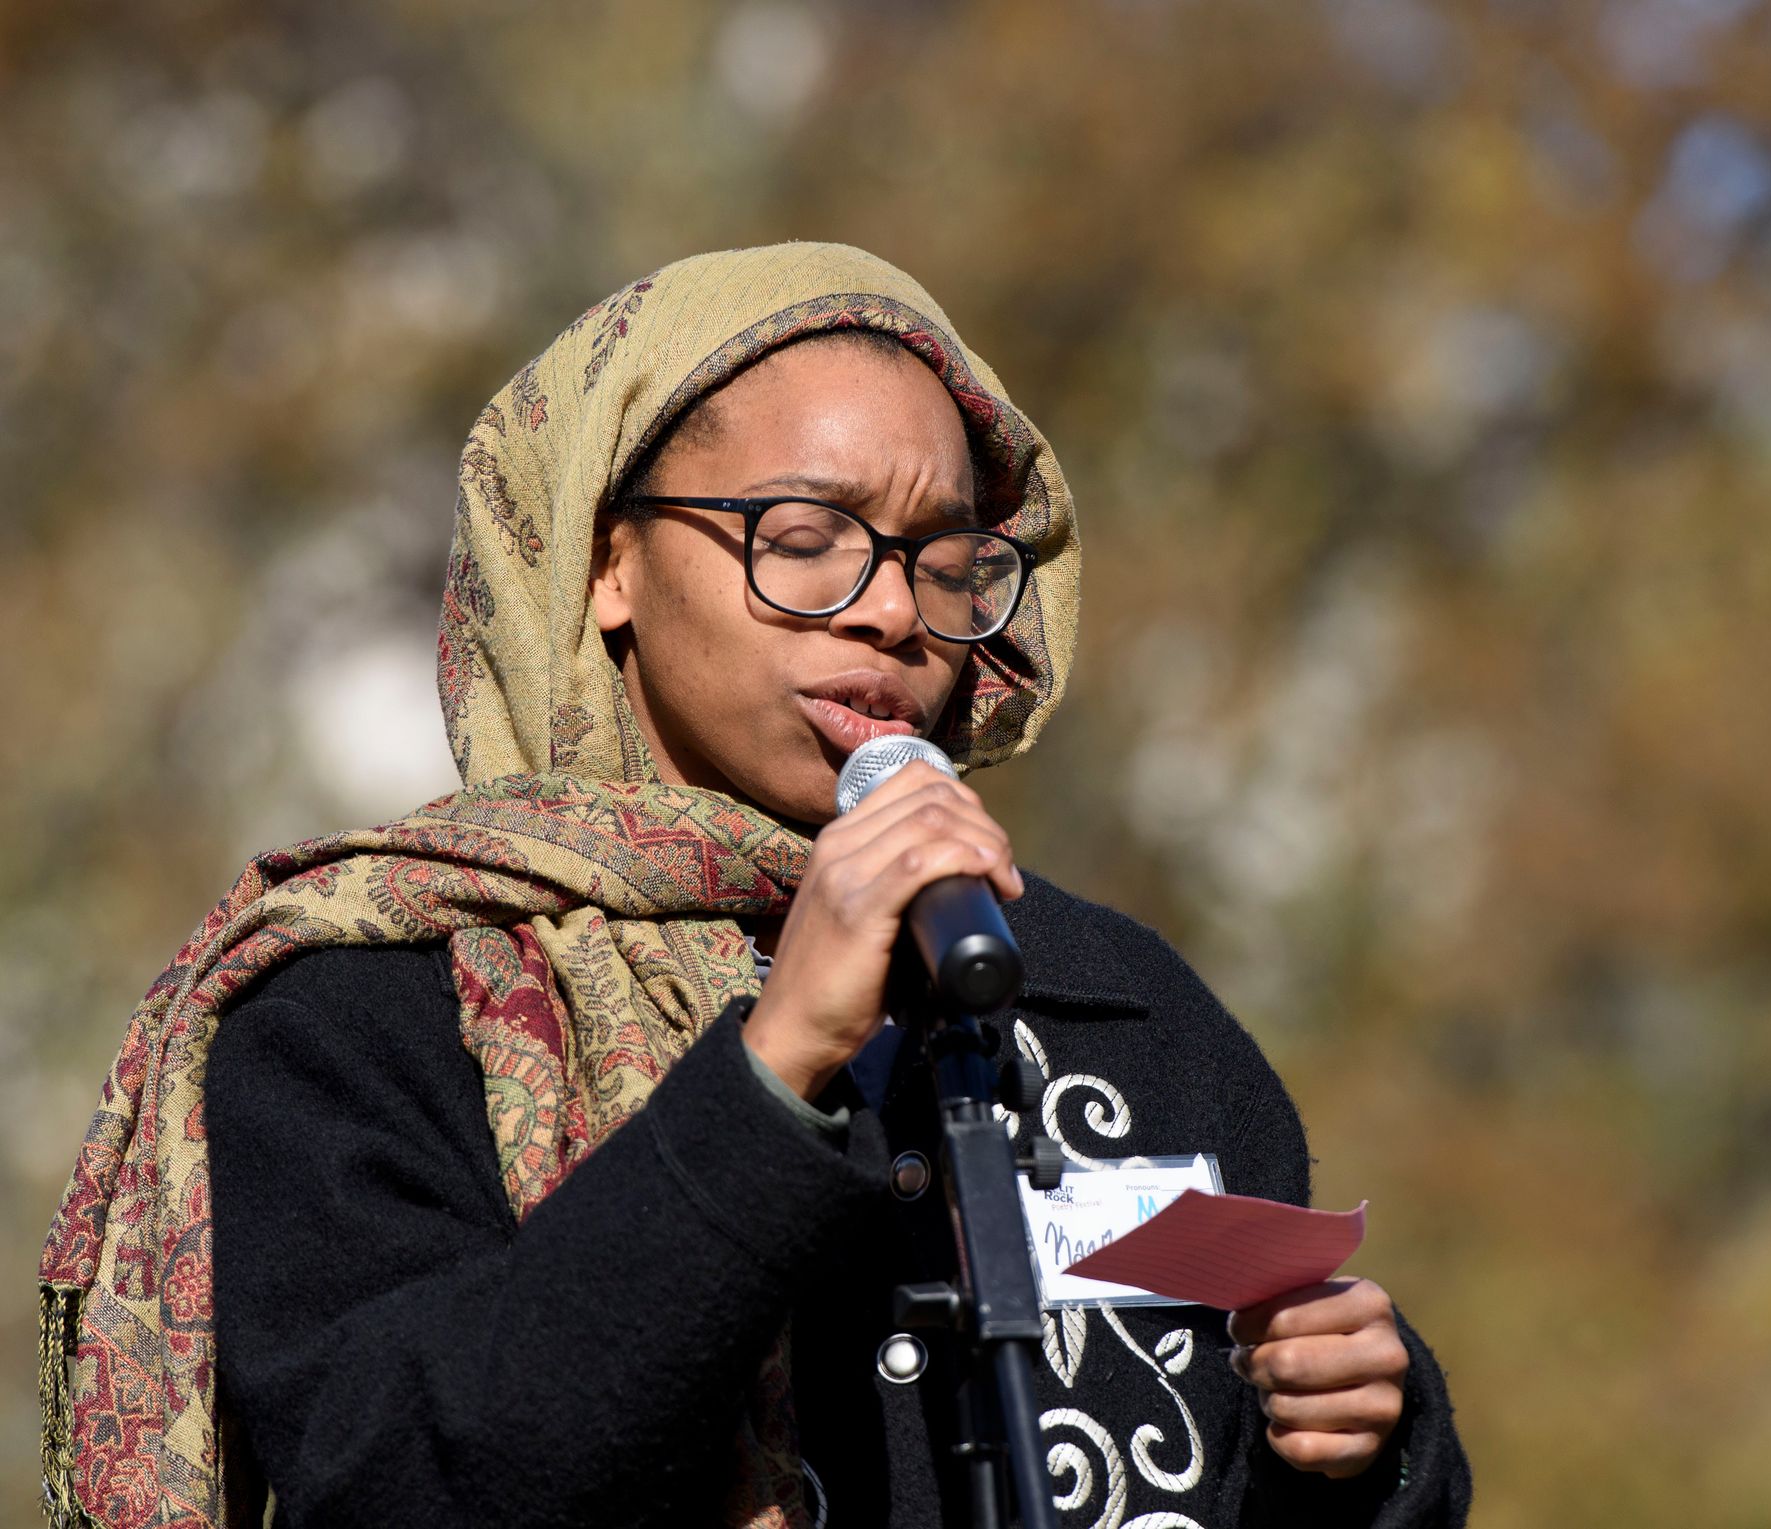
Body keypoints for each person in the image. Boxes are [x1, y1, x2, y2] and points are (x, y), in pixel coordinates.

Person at [37, 243, 1470, 1529]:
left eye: (943, 559)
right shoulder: (369, 1014)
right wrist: (774, 1070)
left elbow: (1248, 1435)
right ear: (608, 561)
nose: (893, 610)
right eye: (804, 540)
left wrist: (1366, 1447)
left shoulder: (1119, 1006)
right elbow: (403, 1482)